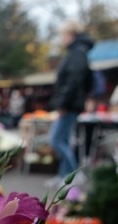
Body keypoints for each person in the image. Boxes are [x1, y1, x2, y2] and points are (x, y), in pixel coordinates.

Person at [49, 20, 94, 180]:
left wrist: (63, 103)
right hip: (73, 104)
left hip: (70, 105)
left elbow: (73, 81)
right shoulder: (79, 52)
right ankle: (64, 175)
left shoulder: (77, 53)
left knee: (55, 140)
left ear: (70, 35)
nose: (61, 39)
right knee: (64, 140)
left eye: (62, 35)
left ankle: (74, 174)